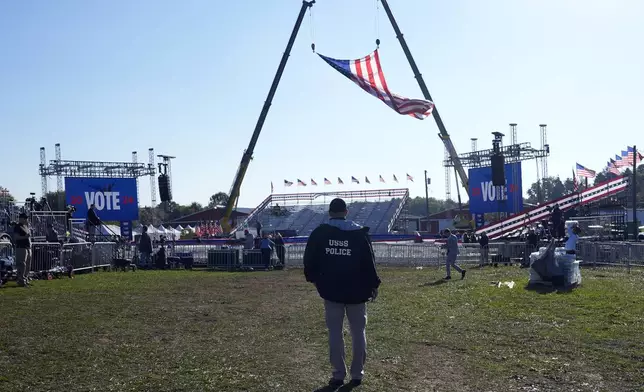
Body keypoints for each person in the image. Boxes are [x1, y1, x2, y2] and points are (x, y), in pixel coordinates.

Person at [304, 198, 381, 389]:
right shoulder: (359, 233)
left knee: (335, 334)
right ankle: (357, 374)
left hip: (331, 291)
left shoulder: (320, 233)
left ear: (330, 213)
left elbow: (309, 259)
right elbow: (369, 262)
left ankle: (338, 374)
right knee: (358, 332)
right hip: (357, 291)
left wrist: (315, 280)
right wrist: (374, 284)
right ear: (346, 212)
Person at [13, 213, 32, 287]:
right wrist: (25, 237)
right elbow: (16, 237)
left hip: (27, 247)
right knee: (22, 264)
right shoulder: (18, 227)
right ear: (21, 218)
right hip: (21, 247)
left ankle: (25, 279)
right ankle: (21, 280)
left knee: (27, 264)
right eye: (25, 218)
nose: (26, 220)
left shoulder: (26, 226)